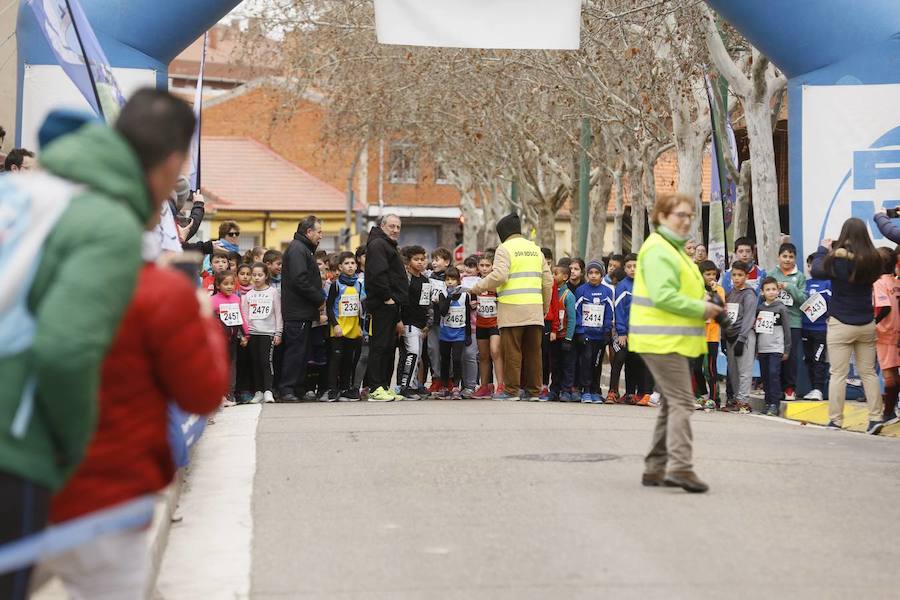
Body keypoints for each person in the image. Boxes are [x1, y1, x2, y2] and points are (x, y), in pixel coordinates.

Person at [0, 89, 196, 598]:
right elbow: (65, 349)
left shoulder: (22, 195)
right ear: (172, 160)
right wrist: (70, 447)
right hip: (14, 446)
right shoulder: (105, 222)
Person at [29, 257, 228, 599]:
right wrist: (203, 318)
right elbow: (204, 392)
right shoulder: (154, 289)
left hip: (30, 481)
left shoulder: (25, 277)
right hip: (108, 491)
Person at [632, 193, 723, 494]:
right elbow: (664, 296)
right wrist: (703, 308)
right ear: (660, 217)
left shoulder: (675, 249)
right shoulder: (660, 249)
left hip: (669, 338)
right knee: (683, 401)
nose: (685, 220)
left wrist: (705, 301)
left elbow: (682, 290)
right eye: (679, 215)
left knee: (672, 402)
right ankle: (680, 467)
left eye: (689, 215)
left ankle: (655, 466)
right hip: (660, 338)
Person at [810, 218, 884, 434]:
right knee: (868, 373)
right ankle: (875, 418)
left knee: (838, 374)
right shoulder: (873, 260)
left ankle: (835, 420)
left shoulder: (837, 260)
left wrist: (823, 249)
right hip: (866, 323)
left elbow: (816, 270)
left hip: (841, 323)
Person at [472, 213, 553, 401]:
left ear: (503, 232)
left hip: (511, 310)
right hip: (534, 309)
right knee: (534, 353)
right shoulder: (535, 249)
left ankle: (511, 391)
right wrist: (544, 308)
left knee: (512, 352)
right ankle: (534, 392)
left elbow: (499, 276)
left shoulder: (504, 249)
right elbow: (547, 281)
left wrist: (477, 286)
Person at [279, 216, 325, 402]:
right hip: (297, 311)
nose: (321, 236)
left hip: (303, 311)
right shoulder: (298, 249)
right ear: (309, 232)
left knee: (303, 352)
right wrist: (319, 299)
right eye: (319, 232)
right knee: (295, 351)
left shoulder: (304, 249)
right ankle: (287, 389)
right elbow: (300, 280)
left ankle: (297, 388)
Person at [364, 214, 409, 401]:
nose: (395, 230)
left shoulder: (386, 244)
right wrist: (387, 297)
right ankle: (375, 387)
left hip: (391, 303)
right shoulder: (377, 245)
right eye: (391, 226)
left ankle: (383, 385)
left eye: (398, 227)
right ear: (382, 226)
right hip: (383, 303)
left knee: (388, 347)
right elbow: (378, 274)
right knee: (380, 346)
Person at [612, 254, 653, 406]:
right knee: (625, 360)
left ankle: (642, 393)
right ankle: (626, 392)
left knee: (640, 362)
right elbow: (620, 310)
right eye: (629, 267)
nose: (632, 269)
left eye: (635, 266)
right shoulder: (623, 286)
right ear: (624, 269)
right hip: (627, 333)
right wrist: (622, 332)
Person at [325, 251, 364, 402]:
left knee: (349, 359)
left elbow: (360, 307)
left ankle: (345, 388)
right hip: (339, 329)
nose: (350, 266)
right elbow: (329, 307)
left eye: (352, 263)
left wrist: (360, 325)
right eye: (346, 264)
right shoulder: (336, 285)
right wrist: (335, 325)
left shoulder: (358, 284)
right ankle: (332, 390)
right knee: (336, 359)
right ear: (340, 267)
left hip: (353, 329)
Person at [242, 263, 283, 404]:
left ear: (266, 276)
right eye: (254, 275)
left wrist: (278, 332)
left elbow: (278, 313)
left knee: (266, 362)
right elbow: (245, 316)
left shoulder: (272, 292)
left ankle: (268, 390)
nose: (257, 278)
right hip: (253, 333)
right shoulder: (248, 295)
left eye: (260, 275)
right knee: (255, 362)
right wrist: (245, 334)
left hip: (268, 332)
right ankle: (258, 391)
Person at [771, 243, 807, 400]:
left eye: (791, 257)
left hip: (793, 322)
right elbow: (763, 294)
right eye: (784, 256)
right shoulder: (772, 274)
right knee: (775, 355)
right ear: (779, 257)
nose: (787, 259)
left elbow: (804, 300)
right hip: (774, 321)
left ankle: (789, 388)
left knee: (791, 357)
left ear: (795, 259)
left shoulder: (799, 276)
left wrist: (789, 287)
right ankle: (775, 388)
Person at [211, 270, 249, 406]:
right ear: (218, 285)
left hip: (232, 339)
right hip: (218, 341)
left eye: (232, 284)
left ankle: (229, 395)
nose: (229, 287)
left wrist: (246, 334)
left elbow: (241, 318)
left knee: (232, 366)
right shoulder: (213, 301)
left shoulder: (236, 298)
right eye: (225, 284)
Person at [724, 262, 758, 413]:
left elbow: (749, 318)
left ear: (747, 276)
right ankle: (737, 399)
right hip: (730, 336)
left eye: (740, 275)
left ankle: (743, 401)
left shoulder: (749, 294)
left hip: (744, 337)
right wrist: (724, 336)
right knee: (733, 371)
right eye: (734, 275)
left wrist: (742, 339)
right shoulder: (730, 293)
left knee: (744, 370)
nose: (737, 278)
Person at [755, 278, 792, 416]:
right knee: (765, 377)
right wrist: (756, 349)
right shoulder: (760, 308)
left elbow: (787, 330)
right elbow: (757, 331)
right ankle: (767, 402)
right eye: (768, 290)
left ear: (778, 290)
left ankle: (774, 404)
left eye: (773, 289)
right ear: (762, 292)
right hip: (762, 348)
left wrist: (787, 349)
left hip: (776, 348)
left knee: (773, 374)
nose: (771, 292)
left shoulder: (781, 308)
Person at [398, 246, 430, 399]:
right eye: (416, 259)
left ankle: (414, 384)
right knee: (413, 353)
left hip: (421, 324)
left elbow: (426, 303)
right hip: (408, 322)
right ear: (409, 261)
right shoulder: (405, 278)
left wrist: (427, 325)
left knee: (418, 355)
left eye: (422, 259)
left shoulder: (425, 280)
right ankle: (405, 386)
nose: (420, 262)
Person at [436, 267, 473, 399]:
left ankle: (456, 386)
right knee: (445, 360)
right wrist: (449, 297)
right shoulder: (442, 294)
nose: (450, 282)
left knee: (457, 359)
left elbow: (468, 316)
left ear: (458, 281)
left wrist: (468, 334)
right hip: (445, 332)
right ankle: (445, 385)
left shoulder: (464, 295)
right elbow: (443, 312)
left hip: (459, 332)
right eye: (447, 279)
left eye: (453, 279)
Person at [873, 247, 900, 424]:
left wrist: (872, 323)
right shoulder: (896, 282)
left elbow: (884, 307)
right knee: (894, 374)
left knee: (889, 374)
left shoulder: (879, 283)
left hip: (886, 334)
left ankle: (888, 412)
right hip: (896, 332)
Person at [801, 253, 831, 401]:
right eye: (809, 265)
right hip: (805, 328)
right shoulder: (805, 284)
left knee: (819, 358)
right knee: (809, 359)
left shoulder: (828, 284)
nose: (810, 268)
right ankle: (813, 388)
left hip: (821, 329)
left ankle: (819, 389)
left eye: (813, 265)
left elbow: (832, 303)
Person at [474, 254, 503, 398]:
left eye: (487, 266)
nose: (484, 269)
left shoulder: (497, 283)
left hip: (495, 323)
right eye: (482, 265)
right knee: (484, 356)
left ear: (493, 267)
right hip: (481, 322)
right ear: (478, 267)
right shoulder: (476, 282)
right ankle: (485, 386)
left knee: (495, 351)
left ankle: (501, 385)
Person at [699, 261, 726, 409]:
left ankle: (714, 398)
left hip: (712, 335)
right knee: (696, 367)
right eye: (707, 274)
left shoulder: (719, 290)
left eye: (713, 274)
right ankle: (702, 394)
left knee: (710, 368)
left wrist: (714, 292)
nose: (711, 277)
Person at [549, 265, 577, 401]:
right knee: (555, 365)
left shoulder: (568, 296)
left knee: (567, 365)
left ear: (565, 277)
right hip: (555, 336)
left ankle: (566, 390)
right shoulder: (551, 293)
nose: (553, 276)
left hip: (565, 337)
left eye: (555, 273)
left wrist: (568, 338)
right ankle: (554, 389)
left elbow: (572, 318)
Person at [426, 247, 451, 392]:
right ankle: (436, 378)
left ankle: (449, 380)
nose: (433, 263)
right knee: (433, 350)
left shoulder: (452, 277)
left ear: (447, 262)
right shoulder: (429, 278)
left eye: (437, 260)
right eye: (433, 260)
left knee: (448, 351)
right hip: (432, 320)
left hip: (448, 321)